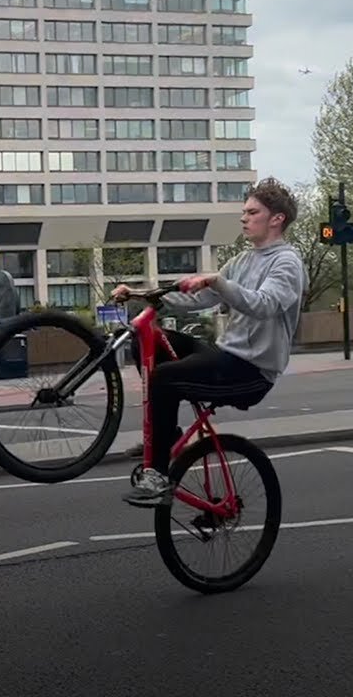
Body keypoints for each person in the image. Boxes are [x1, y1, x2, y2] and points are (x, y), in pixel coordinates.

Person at [114, 177, 307, 506]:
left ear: (277, 219)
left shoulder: (287, 263)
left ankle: (158, 477)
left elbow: (264, 305)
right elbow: (198, 298)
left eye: (252, 212)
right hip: (225, 354)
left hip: (251, 371)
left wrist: (218, 281)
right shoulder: (243, 261)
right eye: (243, 212)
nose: (244, 218)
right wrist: (142, 294)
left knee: (164, 379)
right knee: (147, 341)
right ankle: (169, 435)